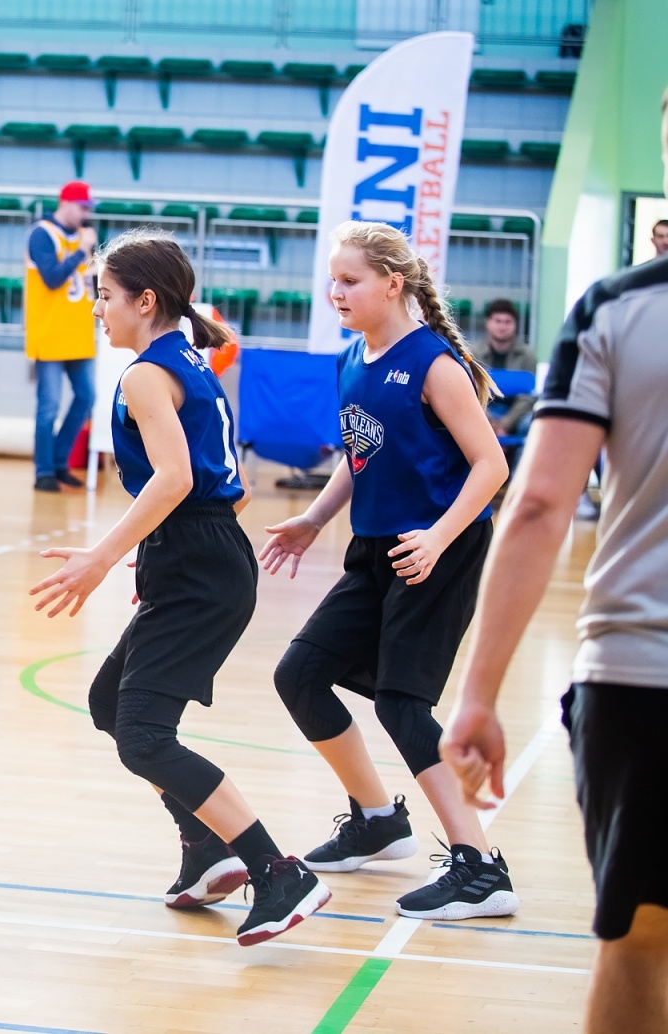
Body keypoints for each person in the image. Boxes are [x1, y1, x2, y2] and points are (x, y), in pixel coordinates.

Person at [31, 231, 329, 946]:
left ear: (145, 300)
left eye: (104, 296)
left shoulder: (144, 374)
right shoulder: (186, 361)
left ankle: (277, 872)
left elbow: (176, 479)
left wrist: (105, 557)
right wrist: (167, 551)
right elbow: (235, 490)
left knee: (142, 736)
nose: (98, 309)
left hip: (200, 567)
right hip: (202, 559)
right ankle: (206, 846)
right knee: (111, 702)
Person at [441, 94, 668, 1033]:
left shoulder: (619, 311)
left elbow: (537, 505)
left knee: (641, 939)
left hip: (645, 674)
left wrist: (482, 692)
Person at [260, 221, 515, 921]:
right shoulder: (352, 358)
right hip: (376, 547)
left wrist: (435, 537)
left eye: (349, 280)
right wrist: (314, 519)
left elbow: (492, 466)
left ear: (393, 284)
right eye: (333, 279)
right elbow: (360, 454)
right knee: (300, 674)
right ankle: (378, 819)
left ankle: (480, 868)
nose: (334, 292)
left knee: (404, 703)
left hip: (440, 545)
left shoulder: (434, 365)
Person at [25, 180, 98, 493]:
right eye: (81, 207)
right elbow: (53, 279)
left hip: (79, 333)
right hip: (50, 333)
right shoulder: (42, 234)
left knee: (86, 397)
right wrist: (81, 252)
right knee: (49, 407)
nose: (85, 214)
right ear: (65, 203)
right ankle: (44, 471)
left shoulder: (85, 237)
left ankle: (59, 461)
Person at [470, 299, 537, 438]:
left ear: (515, 325)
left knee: (531, 423)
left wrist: (505, 424)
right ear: (488, 323)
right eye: (498, 321)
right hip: (483, 411)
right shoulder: (473, 354)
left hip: (516, 414)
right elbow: (472, 392)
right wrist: (490, 423)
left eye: (507, 322)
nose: (502, 326)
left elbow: (527, 398)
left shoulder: (527, 356)